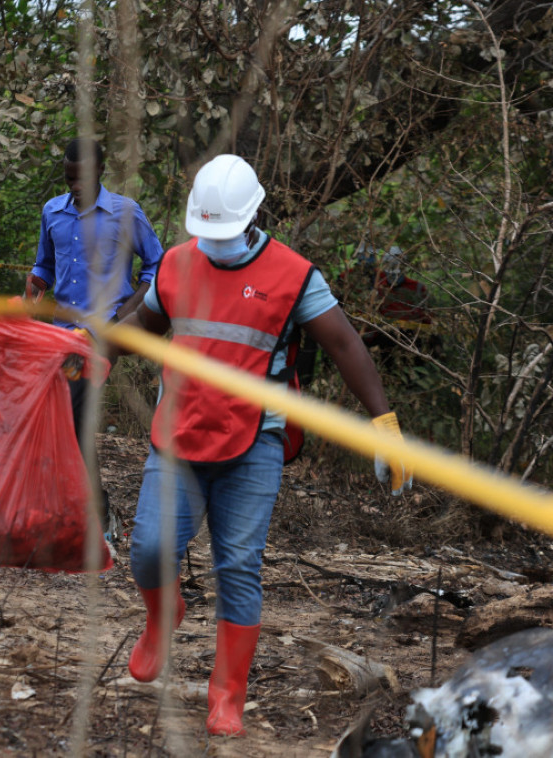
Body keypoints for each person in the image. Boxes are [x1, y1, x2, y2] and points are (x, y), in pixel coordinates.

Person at [117, 154, 412, 736]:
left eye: (225, 234)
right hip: (177, 435)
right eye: (208, 234)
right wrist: (93, 346)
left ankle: (226, 694)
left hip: (254, 443)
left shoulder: (295, 275)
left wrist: (385, 424)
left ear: (253, 218)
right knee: (150, 549)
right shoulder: (176, 265)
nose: (216, 245)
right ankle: (162, 617)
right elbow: (140, 325)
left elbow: (346, 345)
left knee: (238, 567)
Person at [26, 137, 164, 539]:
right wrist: (35, 285)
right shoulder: (53, 212)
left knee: (71, 418)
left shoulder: (125, 213)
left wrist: (126, 313)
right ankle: (76, 513)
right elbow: (44, 266)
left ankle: (94, 520)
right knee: (60, 421)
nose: (75, 187)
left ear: (100, 171)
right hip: (60, 334)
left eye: (81, 178)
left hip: (102, 335)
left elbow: (156, 265)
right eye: (69, 179)